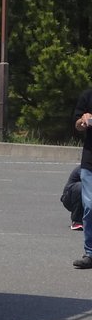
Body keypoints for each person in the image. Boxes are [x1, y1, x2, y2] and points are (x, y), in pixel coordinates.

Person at [74, 90, 92, 268]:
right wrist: (83, 120)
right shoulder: (87, 96)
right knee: (90, 206)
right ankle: (90, 253)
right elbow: (77, 125)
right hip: (90, 161)